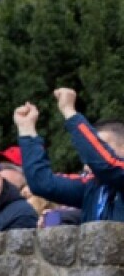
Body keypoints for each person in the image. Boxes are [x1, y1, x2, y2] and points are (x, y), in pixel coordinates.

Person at [17, 89, 124, 223]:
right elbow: (42, 183)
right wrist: (27, 131)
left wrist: (70, 112)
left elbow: (106, 165)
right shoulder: (92, 185)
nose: (91, 157)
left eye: (102, 147)